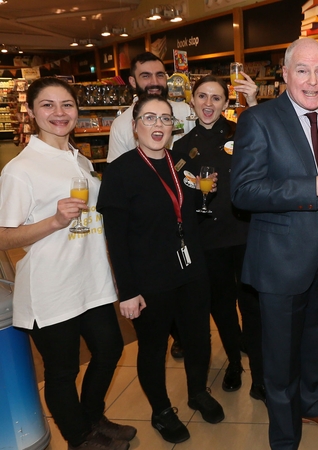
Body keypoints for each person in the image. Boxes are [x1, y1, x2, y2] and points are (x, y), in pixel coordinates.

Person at [230, 38, 318, 450]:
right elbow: (243, 191)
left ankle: (313, 404)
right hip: (282, 260)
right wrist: (312, 187)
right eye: (303, 71)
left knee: (317, 345)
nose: (312, 80)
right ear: (286, 74)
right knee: (281, 359)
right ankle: (285, 438)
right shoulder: (259, 120)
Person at [0, 77, 135, 450]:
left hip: (90, 281)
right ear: (31, 112)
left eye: (67, 105)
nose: (59, 113)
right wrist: (54, 222)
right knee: (62, 371)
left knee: (110, 349)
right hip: (50, 287)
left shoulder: (80, 159)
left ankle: (92, 417)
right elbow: (3, 236)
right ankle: (79, 438)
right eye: (48, 105)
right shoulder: (21, 169)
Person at [98, 94, 225, 444]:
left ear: (173, 126)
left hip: (190, 269)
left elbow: (187, 213)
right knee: (153, 347)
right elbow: (116, 240)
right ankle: (162, 411)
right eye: (150, 118)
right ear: (134, 125)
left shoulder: (181, 163)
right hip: (149, 277)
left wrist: (204, 195)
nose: (158, 125)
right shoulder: (120, 172)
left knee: (198, 337)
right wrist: (128, 292)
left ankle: (197, 392)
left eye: (166, 119)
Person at [172, 75, 265, 401]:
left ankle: (260, 375)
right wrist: (194, 191)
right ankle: (235, 364)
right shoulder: (181, 146)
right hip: (209, 238)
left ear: (226, 103)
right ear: (192, 101)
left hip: (246, 233)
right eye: (202, 96)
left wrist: (253, 102)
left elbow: (268, 153)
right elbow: (177, 196)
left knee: (252, 305)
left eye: (216, 98)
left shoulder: (243, 131)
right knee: (222, 307)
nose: (208, 104)